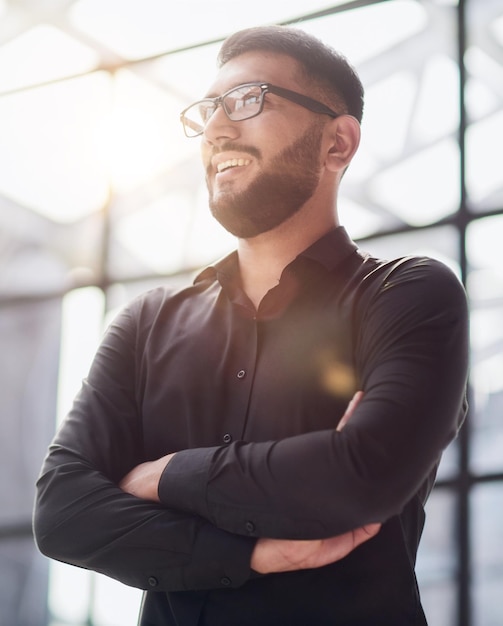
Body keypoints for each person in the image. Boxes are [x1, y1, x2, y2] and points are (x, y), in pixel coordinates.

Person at [33, 25, 469, 626]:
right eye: (208, 109)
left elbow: (361, 474)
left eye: (248, 99)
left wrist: (165, 475)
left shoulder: (406, 294)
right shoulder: (146, 323)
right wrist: (252, 552)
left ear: (337, 143)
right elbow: (62, 512)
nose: (216, 127)